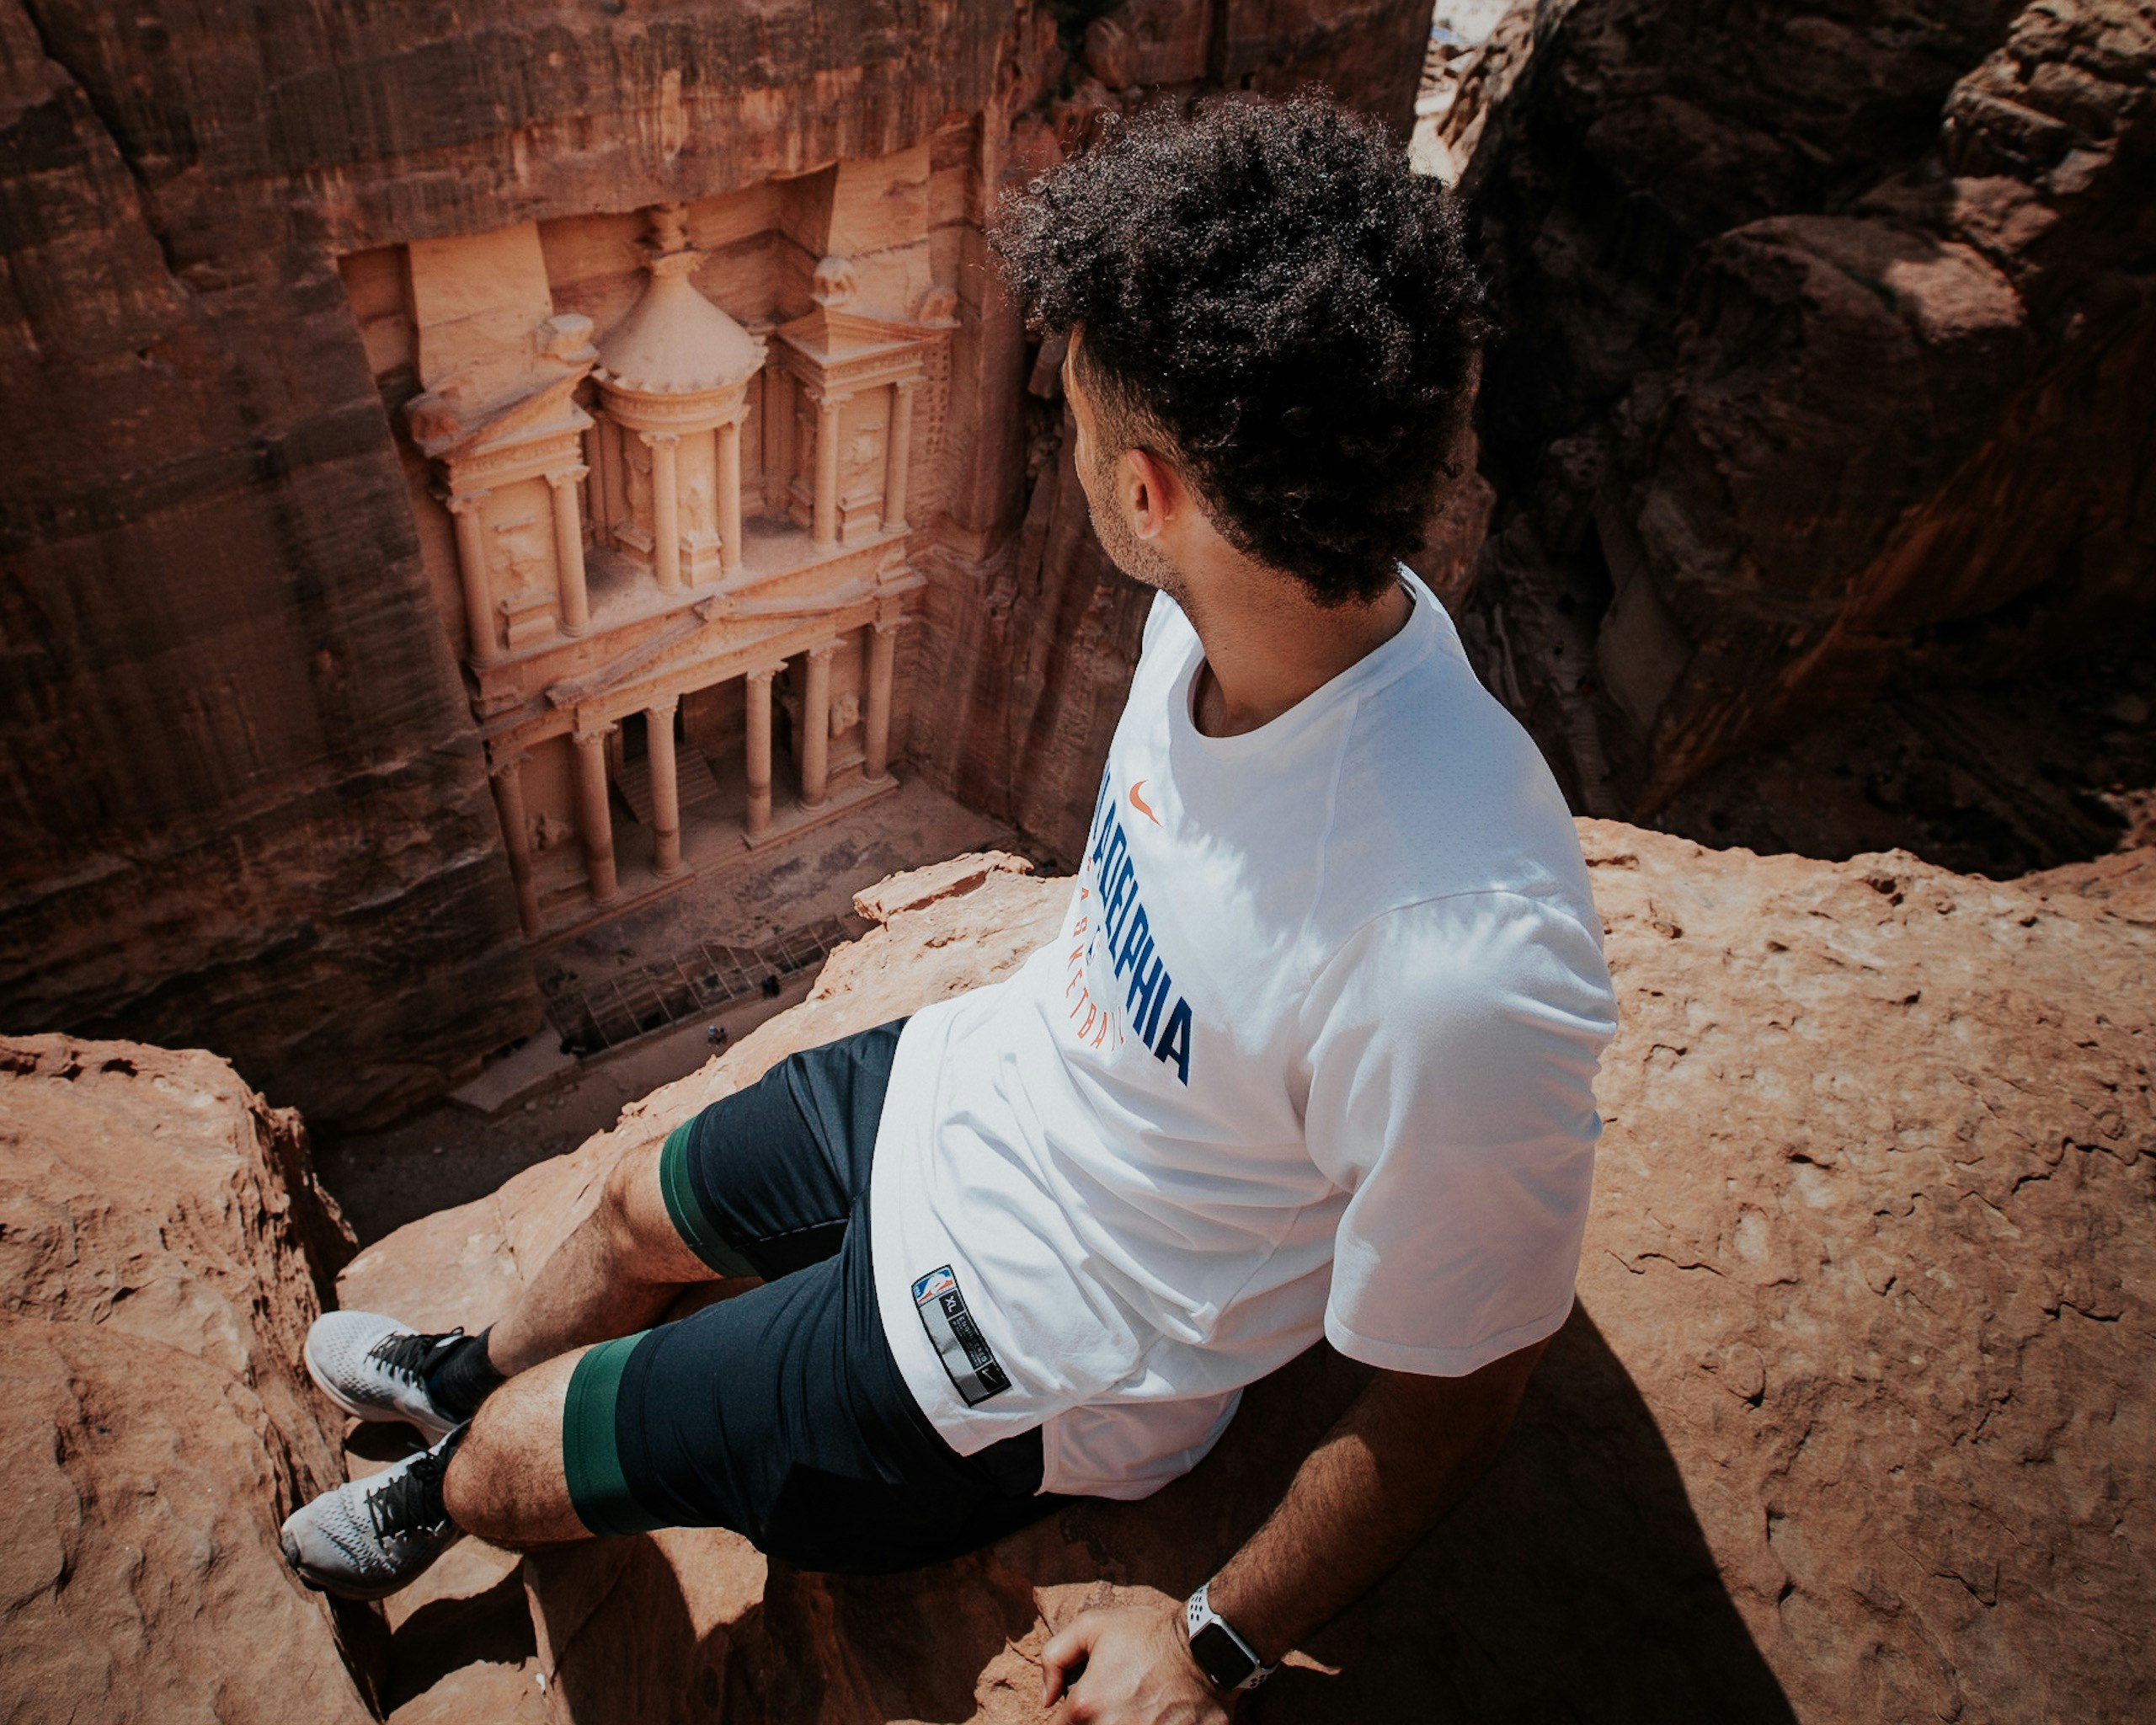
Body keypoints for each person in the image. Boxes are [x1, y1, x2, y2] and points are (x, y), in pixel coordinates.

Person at [282, 93, 1617, 1721]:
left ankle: (450, 1484)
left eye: (1067, 409)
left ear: (1152, 495)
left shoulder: (1455, 955)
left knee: (535, 1454)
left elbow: (1463, 1376)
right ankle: (456, 1367)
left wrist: (1211, 1639)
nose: (1043, 431)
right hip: (969, 1089)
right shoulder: (1235, 617)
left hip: (1011, 1350)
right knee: (638, 1205)